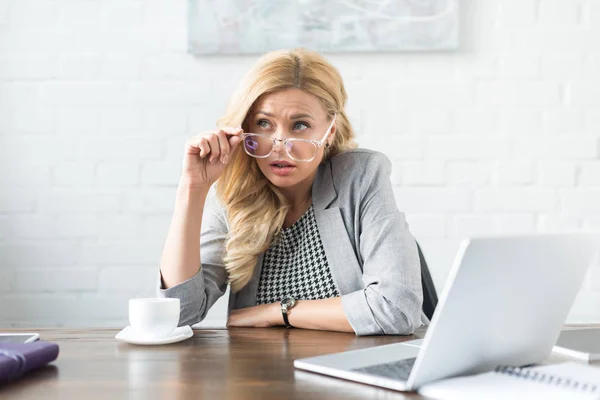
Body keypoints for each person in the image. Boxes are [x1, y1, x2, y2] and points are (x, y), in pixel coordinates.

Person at [157, 48, 424, 336]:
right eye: (263, 124)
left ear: (330, 131)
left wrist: (279, 311)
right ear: (245, 127)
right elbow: (179, 313)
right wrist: (192, 188)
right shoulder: (235, 192)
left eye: (300, 125)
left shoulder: (360, 176)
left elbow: (397, 309)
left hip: (353, 367)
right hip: (261, 374)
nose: (279, 145)